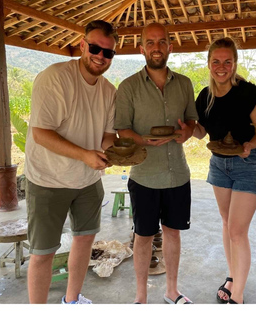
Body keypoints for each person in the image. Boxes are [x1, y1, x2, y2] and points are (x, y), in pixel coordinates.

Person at [24, 20, 118, 304]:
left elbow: (106, 137)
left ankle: (72, 300)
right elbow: (41, 134)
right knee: (43, 253)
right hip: (48, 179)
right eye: (95, 48)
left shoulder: (109, 91)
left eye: (108, 53)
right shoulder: (54, 78)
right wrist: (86, 155)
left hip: (88, 181)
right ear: (82, 44)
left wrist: (114, 153)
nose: (100, 56)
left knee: (85, 240)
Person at [114, 22, 198, 304]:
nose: (156, 47)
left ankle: (172, 291)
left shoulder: (184, 84)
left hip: (178, 175)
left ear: (170, 47)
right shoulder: (128, 87)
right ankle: (140, 297)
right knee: (144, 235)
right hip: (144, 176)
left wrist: (187, 131)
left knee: (173, 233)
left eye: (161, 42)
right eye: (150, 42)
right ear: (141, 49)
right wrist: (141, 139)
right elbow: (121, 129)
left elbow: (191, 121)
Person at [192, 37, 256, 304]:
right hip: (218, 164)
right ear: (209, 63)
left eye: (227, 61)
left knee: (237, 230)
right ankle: (233, 276)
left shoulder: (251, 93)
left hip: (249, 162)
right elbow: (201, 131)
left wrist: (249, 145)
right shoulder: (205, 96)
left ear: (235, 63)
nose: (221, 66)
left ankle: (237, 295)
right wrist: (187, 130)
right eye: (216, 61)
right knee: (226, 224)